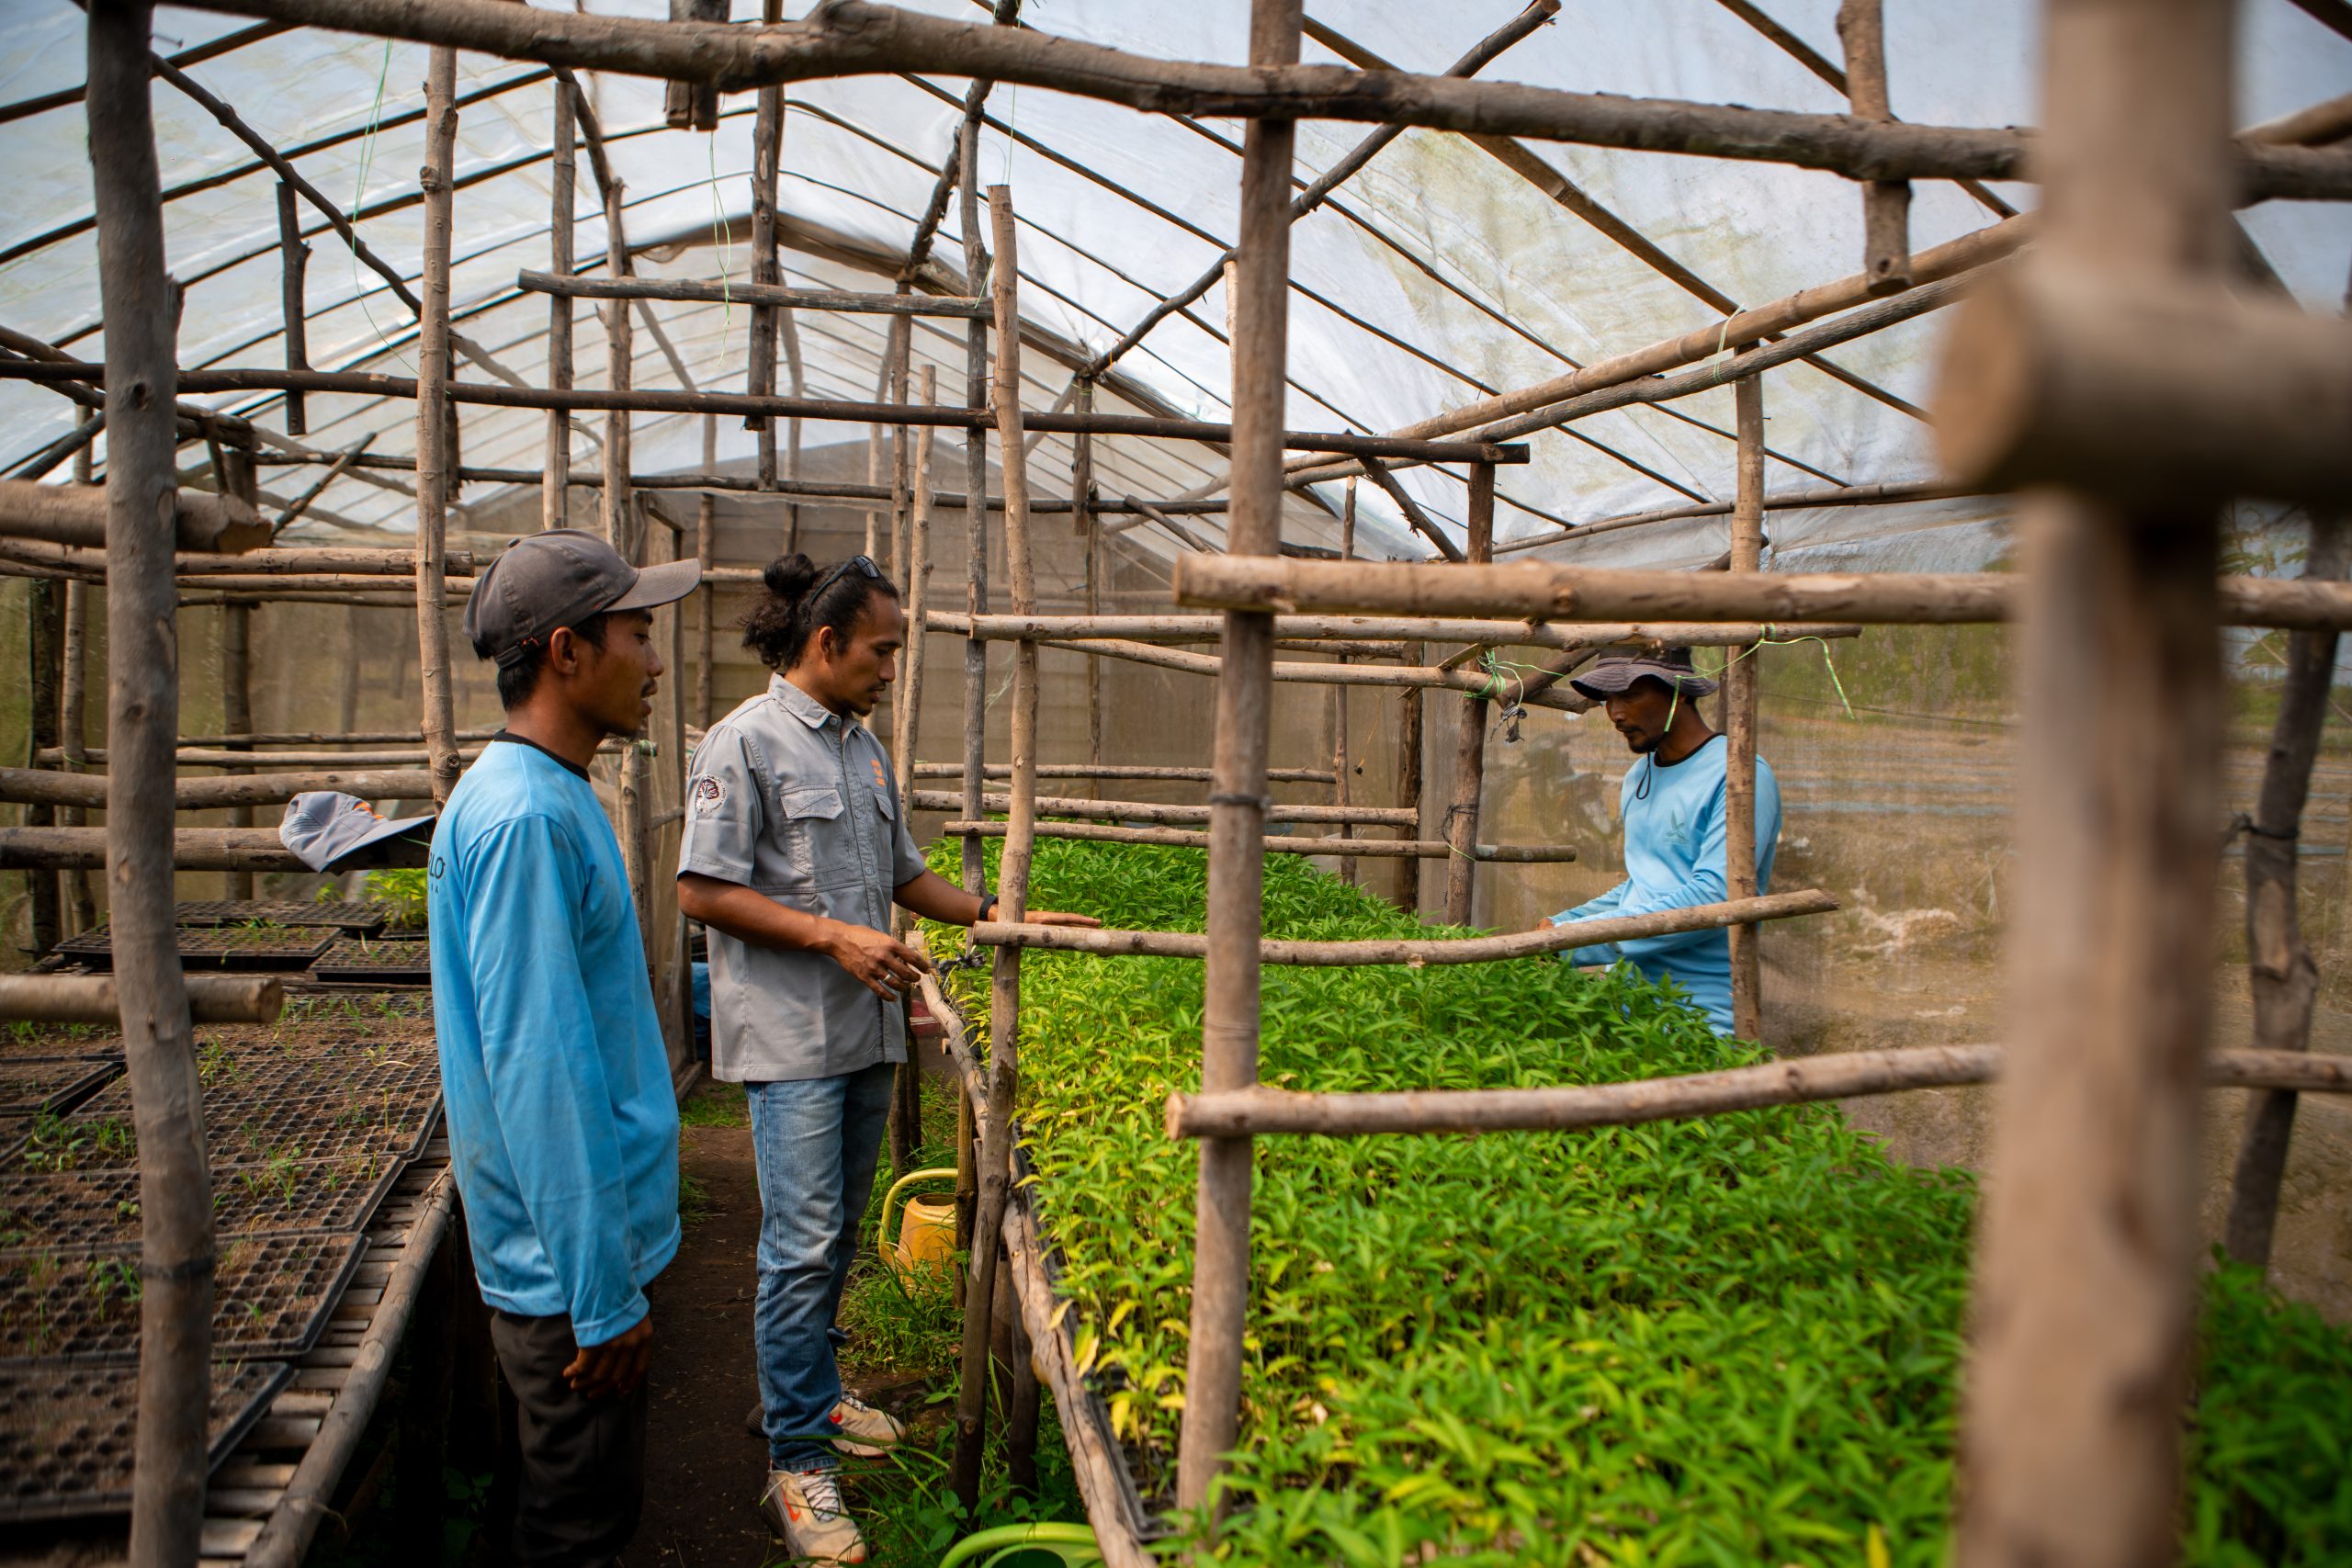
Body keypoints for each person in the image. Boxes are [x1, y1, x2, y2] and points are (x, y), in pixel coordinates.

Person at [675, 553, 1098, 1565]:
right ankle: (795, 1463)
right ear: (825, 645)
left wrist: (1004, 915)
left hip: (864, 1031)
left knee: (834, 1233)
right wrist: (833, 938)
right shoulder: (746, 744)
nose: (890, 668)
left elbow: (905, 874)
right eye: (882, 649)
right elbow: (700, 889)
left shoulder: (860, 751)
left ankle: (808, 1395)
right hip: (792, 1039)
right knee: (802, 1241)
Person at [428, 528, 701, 1567]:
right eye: (638, 632)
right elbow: (539, 1071)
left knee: (558, 1508)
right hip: (564, 1277)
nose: (657, 660)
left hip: (571, 1262)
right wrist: (598, 1295)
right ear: (565, 651)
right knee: (577, 1530)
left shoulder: (545, 795)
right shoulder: (524, 821)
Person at [1540, 646, 1781, 1038]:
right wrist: (1564, 924)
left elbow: (1715, 896)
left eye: (1631, 695)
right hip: (1626, 1006)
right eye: (1608, 698)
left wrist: (1572, 941)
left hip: (1697, 1019)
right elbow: (1644, 885)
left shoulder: (1738, 775)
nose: (1616, 713)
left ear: (1680, 691)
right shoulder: (1639, 776)